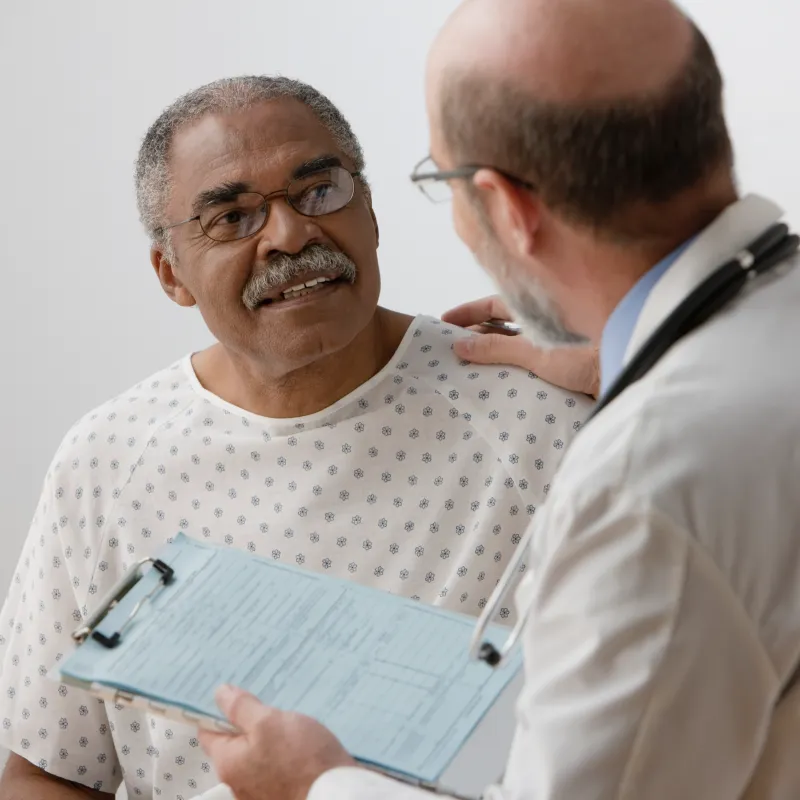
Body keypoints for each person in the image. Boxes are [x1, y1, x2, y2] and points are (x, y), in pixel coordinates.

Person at [193, 1, 800, 799]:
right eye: (235, 216)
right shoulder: (738, 354)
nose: (287, 236)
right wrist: (629, 363)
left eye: (440, 180)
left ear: (508, 208)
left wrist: (318, 785)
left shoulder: (641, 479)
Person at [0, 75, 591, 800]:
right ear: (171, 274)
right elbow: (48, 770)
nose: (289, 235)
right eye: (232, 217)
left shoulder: (541, 420)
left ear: (369, 209)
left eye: (319, 193)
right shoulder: (106, 461)